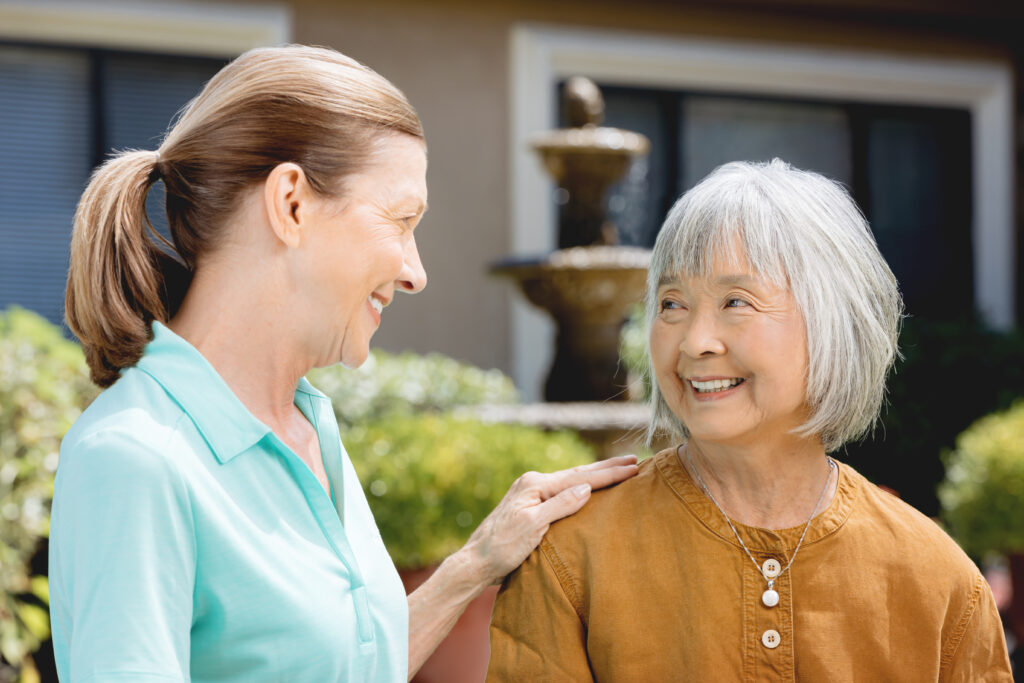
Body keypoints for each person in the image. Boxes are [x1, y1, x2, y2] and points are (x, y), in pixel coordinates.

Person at [50, 44, 638, 683]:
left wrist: (477, 560)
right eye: (400, 220)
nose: (415, 273)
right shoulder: (135, 458)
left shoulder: (307, 428)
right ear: (292, 204)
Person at [487, 160, 1013, 682]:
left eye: (736, 301)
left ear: (833, 319)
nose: (694, 342)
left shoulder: (939, 579)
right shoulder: (570, 555)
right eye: (672, 304)